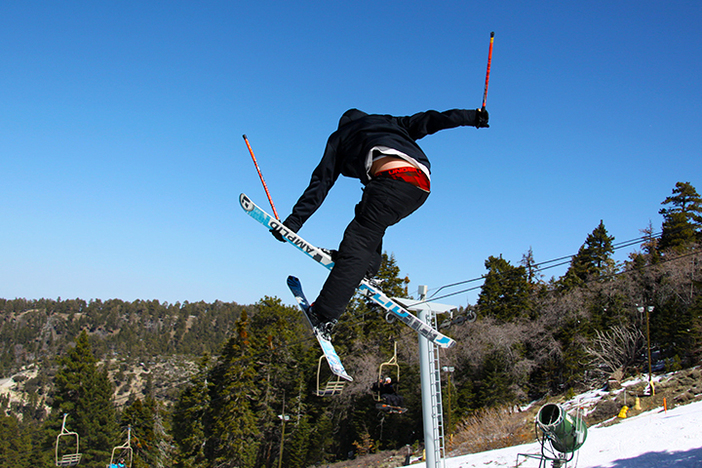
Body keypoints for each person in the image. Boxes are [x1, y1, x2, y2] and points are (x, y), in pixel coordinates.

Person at [273, 107, 489, 338]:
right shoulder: (391, 123)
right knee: (370, 218)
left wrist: (293, 223)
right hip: (421, 186)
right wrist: (472, 117)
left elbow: (321, 183)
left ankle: (325, 313)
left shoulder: (341, 137)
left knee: (359, 240)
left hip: (393, 179)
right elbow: (431, 119)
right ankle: (366, 269)